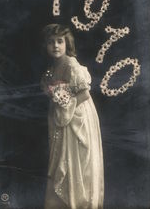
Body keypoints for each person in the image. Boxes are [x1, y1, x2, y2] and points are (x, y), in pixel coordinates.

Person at [40, 24, 104, 209]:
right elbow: (48, 86)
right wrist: (54, 94)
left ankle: (76, 202)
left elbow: (84, 94)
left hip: (78, 116)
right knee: (59, 155)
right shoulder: (53, 67)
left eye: (60, 41)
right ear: (45, 46)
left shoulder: (71, 65)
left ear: (67, 43)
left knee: (73, 158)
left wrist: (64, 99)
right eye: (51, 42)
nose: (56, 46)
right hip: (61, 115)